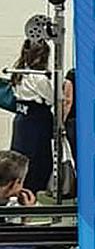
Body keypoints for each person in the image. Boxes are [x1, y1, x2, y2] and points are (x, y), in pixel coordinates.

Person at [6, 40, 56, 194]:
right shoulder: (39, 77)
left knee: (19, 160)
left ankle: (18, 191)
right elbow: (52, 98)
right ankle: (32, 193)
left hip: (22, 120)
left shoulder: (18, 73)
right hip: (37, 121)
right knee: (38, 162)